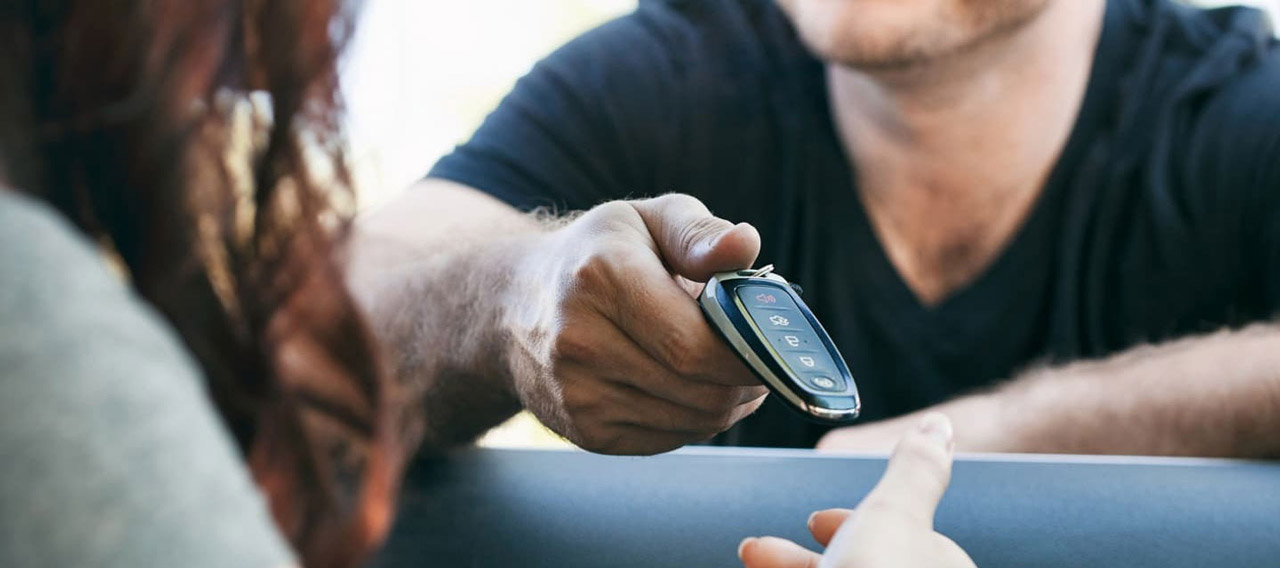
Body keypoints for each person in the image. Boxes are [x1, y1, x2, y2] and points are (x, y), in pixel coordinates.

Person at [354, 0, 1280, 455]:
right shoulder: (659, 79)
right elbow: (312, 320)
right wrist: (508, 301)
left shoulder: (1244, 113)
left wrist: (1006, 435)